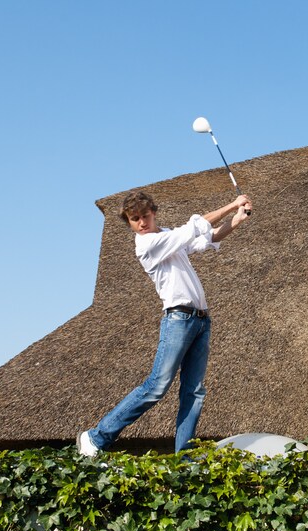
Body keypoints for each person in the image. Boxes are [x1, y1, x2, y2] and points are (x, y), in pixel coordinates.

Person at [76, 190, 253, 457]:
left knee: (194, 391)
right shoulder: (147, 245)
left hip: (201, 320)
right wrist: (232, 204)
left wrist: (237, 220)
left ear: (153, 213)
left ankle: (185, 457)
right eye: (134, 219)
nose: (141, 223)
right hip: (178, 319)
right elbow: (193, 227)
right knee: (157, 386)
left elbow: (208, 238)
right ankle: (96, 437)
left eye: (144, 216)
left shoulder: (166, 237)